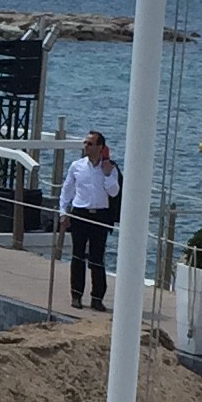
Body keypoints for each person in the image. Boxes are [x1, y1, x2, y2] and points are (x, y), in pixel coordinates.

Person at [56, 129, 123, 313]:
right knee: (78, 255)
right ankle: (76, 295)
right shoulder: (76, 166)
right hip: (80, 214)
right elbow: (67, 190)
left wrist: (107, 175)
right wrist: (63, 212)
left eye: (90, 143)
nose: (86, 146)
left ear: (100, 147)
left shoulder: (110, 168)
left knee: (97, 258)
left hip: (100, 215)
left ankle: (97, 298)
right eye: (85, 143)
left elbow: (114, 192)